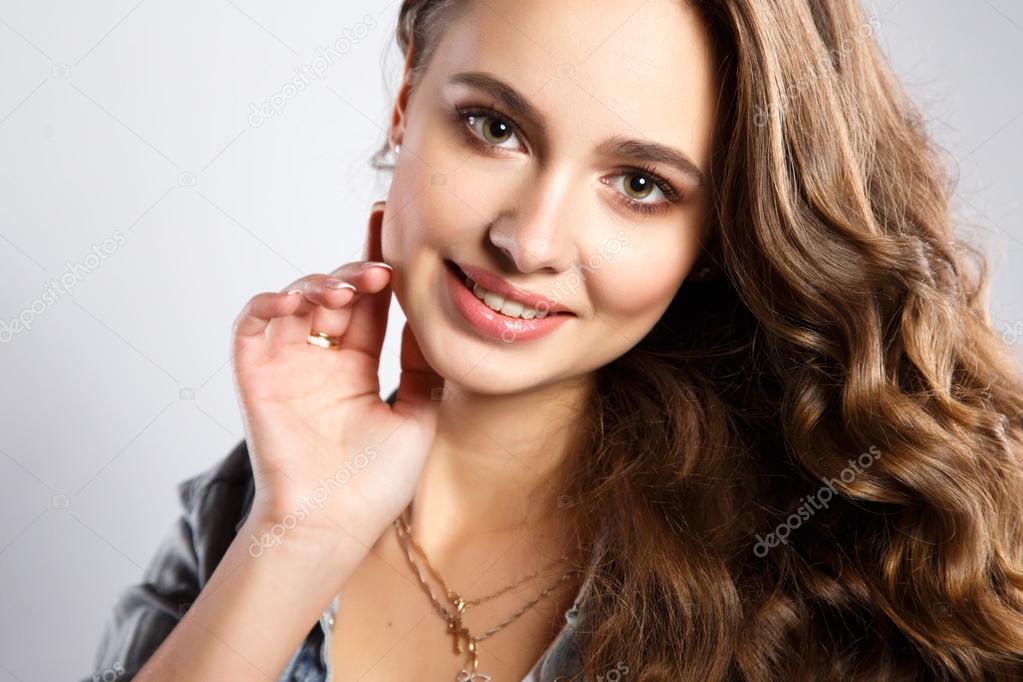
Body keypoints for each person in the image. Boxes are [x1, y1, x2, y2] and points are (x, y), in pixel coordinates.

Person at [84, 0, 1023, 680]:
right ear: (406, 100)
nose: (527, 241)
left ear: (715, 235)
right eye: (493, 128)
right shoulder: (248, 508)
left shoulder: (818, 567)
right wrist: (300, 535)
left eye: (640, 185)